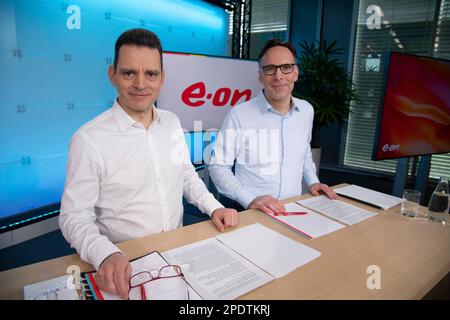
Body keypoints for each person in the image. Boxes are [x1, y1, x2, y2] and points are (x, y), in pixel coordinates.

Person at [59, 28, 238, 299]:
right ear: (113, 75)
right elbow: (73, 216)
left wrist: (214, 207)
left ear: (162, 78)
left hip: (178, 254)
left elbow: (186, 174)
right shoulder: (88, 140)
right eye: (129, 73)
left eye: (151, 74)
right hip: (124, 262)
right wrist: (104, 254)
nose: (140, 84)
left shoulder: (172, 122)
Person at [208, 39, 337, 215]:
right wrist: (250, 199)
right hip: (250, 212)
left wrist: (313, 182)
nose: (278, 76)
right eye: (270, 69)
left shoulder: (306, 110)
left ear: (295, 73)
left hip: (292, 209)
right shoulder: (239, 115)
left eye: (286, 67)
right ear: (260, 76)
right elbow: (218, 167)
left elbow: (304, 153)